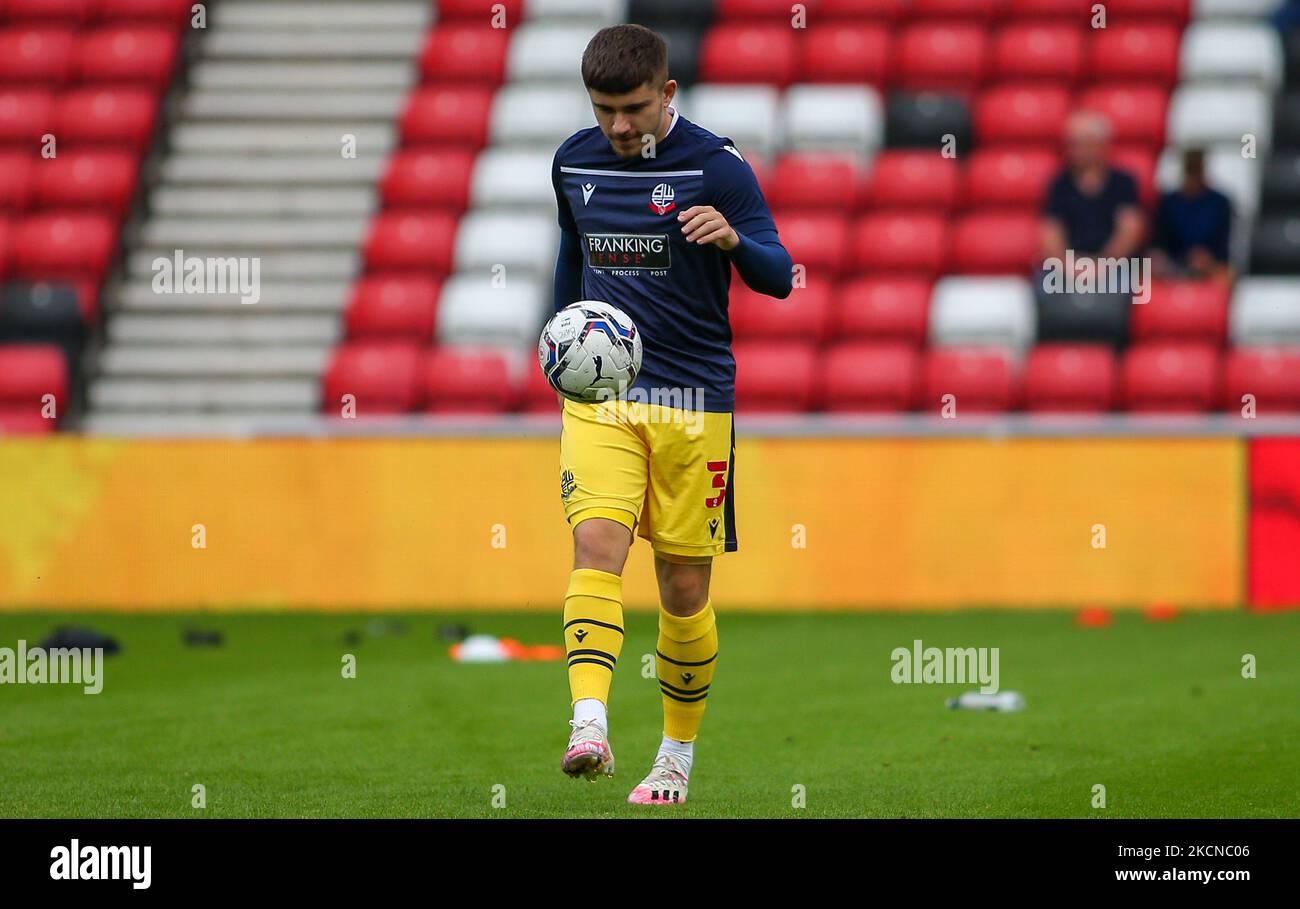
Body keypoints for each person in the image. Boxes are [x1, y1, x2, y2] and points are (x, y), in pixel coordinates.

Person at [550, 24, 792, 805]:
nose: (618, 126)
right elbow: (570, 256)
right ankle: (589, 722)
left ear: (668, 94)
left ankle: (674, 759)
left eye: (632, 108)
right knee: (596, 541)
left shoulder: (715, 168)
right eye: (604, 110)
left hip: (694, 402)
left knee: (683, 589)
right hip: (605, 399)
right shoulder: (573, 160)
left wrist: (733, 240)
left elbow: (782, 274)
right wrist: (560, 342)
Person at [1039, 111, 1145, 269]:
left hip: (1115, 267)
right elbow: (1050, 232)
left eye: (1082, 143)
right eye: (1072, 144)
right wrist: (1071, 267)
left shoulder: (1123, 183)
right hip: (1067, 269)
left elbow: (1129, 231)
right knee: (1045, 288)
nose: (1075, 150)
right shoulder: (1059, 184)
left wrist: (1102, 265)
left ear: (1101, 145)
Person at [1150, 148, 1234, 284]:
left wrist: (1208, 259)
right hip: (1173, 263)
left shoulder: (1219, 202)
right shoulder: (1169, 202)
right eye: (1191, 170)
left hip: (1210, 264)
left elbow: (1224, 245)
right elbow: (1159, 242)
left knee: (1225, 277)